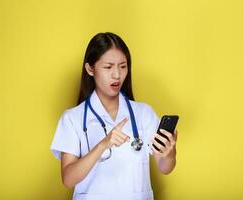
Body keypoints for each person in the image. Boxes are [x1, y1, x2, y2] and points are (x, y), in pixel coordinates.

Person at [50, 32, 178, 200]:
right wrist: (103, 144)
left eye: (123, 66)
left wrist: (169, 154)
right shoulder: (72, 119)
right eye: (108, 67)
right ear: (90, 69)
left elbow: (165, 168)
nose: (117, 75)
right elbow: (68, 179)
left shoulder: (143, 113)